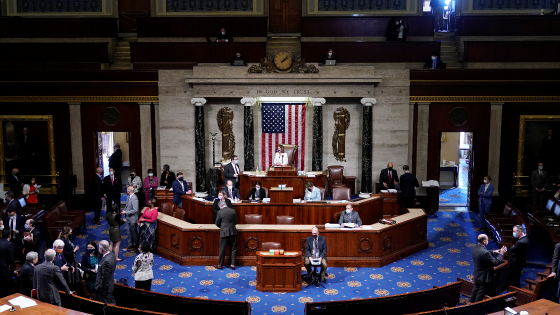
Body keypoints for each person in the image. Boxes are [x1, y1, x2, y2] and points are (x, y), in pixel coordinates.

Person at [470, 234, 505, 302]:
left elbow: (483, 253)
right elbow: (495, 262)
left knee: (475, 290)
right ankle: (475, 306)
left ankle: (470, 303)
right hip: (484, 277)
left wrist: (493, 251)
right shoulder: (485, 253)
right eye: (487, 239)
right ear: (484, 241)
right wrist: (501, 254)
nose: (488, 240)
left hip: (477, 274)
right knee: (480, 293)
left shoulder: (475, 247)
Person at [214, 200, 237, 270]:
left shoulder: (220, 212)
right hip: (233, 231)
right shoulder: (233, 211)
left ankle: (220, 265)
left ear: (221, 206)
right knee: (233, 248)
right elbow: (236, 222)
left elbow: (217, 223)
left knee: (222, 249)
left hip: (224, 232)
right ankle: (233, 264)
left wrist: (223, 227)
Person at [95, 240, 116, 305]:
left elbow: (104, 277)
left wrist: (99, 287)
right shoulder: (112, 255)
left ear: (101, 249)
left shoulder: (106, 261)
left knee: (108, 305)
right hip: (110, 283)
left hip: (105, 288)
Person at [121, 186, 139, 252]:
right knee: (129, 232)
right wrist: (124, 211)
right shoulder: (129, 197)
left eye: (127, 190)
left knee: (134, 233)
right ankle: (131, 244)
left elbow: (135, 210)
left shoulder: (134, 198)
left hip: (133, 219)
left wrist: (126, 212)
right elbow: (127, 206)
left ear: (129, 191)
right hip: (128, 218)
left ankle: (135, 246)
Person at [0, 230, 16, 298]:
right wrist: (13, 269)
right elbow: (11, 258)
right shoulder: (9, 244)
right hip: (4, 269)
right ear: (9, 236)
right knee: (4, 287)